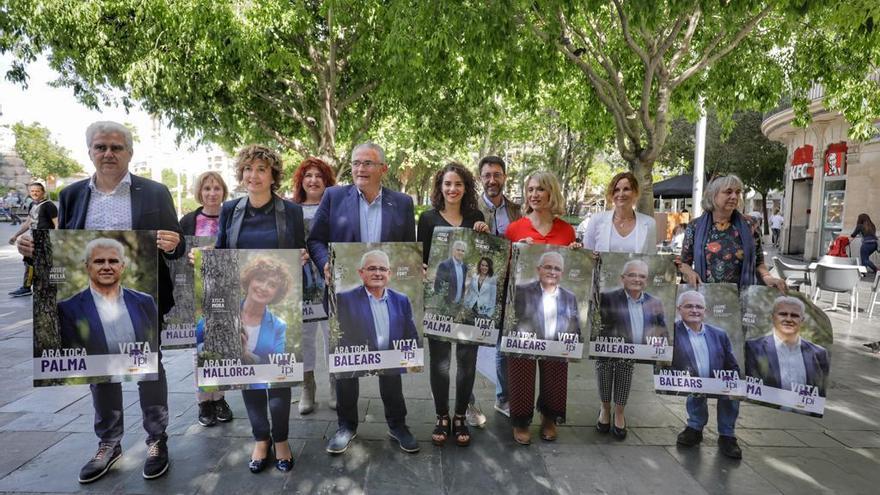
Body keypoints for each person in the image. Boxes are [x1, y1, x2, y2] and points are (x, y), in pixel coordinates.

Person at [17, 121, 183, 483]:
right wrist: (32, 248)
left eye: (116, 147)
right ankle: (109, 443)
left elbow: (178, 242)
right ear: (90, 151)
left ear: (129, 153)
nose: (108, 153)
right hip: (91, 305)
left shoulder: (154, 192)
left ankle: (157, 440)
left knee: (149, 370)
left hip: (142, 302)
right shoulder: (73, 194)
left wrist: (174, 243)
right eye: (101, 147)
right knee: (100, 372)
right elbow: (58, 245)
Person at [308, 141, 419, 455]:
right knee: (346, 364)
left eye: (368, 163)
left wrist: (413, 267)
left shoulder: (402, 202)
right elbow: (315, 239)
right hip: (347, 296)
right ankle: (346, 426)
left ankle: (398, 425)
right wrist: (324, 263)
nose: (360, 169)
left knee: (390, 361)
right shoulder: (333, 197)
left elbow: (407, 248)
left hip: (387, 294)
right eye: (356, 163)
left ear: (383, 168)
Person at [676, 174, 785, 460]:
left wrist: (768, 277)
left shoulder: (749, 225)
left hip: (740, 307)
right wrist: (688, 272)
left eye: (738, 191)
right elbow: (683, 260)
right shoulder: (697, 226)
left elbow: (759, 261)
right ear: (713, 195)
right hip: (704, 306)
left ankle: (727, 433)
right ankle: (694, 425)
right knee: (698, 366)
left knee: (731, 370)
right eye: (728, 192)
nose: (734, 196)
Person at [215, 145, 305, 473]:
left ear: (273, 175)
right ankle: (261, 439)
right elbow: (223, 253)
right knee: (247, 377)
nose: (253, 175)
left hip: (272, 311)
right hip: (240, 310)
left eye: (261, 169)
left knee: (278, 376)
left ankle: (281, 439)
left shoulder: (290, 212)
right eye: (248, 169)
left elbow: (299, 250)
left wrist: (302, 257)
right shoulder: (230, 210)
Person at [504, 170, 580, 445]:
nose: (534, 195)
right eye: (530, 190)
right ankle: (521, 419)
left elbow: (572, 270)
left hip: (557, 310)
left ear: (552, 194)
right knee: (521, 365)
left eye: (540, 190)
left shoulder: (566, 230)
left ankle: (549, 417)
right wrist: (515, 252)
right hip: (524, 311)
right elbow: (503, 271)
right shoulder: (515, 229)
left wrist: (576, 253)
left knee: (556, 365)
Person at [584, 171, 659, 441]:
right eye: (616, 189)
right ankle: (603, 408)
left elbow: (650, 259)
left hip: (634, 300)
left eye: (627, 189)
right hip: (603, 299)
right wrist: (589, 257)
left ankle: (619, 411)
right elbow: (585, 256)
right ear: (610, 193)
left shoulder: (648, 225)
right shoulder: (597, 221)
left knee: (626, 359)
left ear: (635, 193)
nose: (621, 193)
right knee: (604, 358)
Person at [418, 162, 489, 444]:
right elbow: (421, 258)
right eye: (447, 184)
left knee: (467, 361)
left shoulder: (475, 217)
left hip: (469, 306)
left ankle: (460, 416)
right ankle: (441, 416)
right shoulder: (427, 219)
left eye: (458, 184)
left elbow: (485, 256)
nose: (452, 189)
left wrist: (485, 233)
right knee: (440, 363)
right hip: (439, 306)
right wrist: (422, 269)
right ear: (440, 187)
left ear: (466, 187)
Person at [179, 171, 234, 428]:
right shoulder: (188, 220)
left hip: (226, 290)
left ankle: (220, 397)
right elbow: (176, 257)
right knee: (200, 346)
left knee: (222, 345)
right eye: (207, 188)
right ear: (199, 192)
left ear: (224, 191)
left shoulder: (233, 217)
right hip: (198, 292)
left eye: (216, 188)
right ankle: (204, 401)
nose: (212, 193)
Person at [290, 157, 338, 414]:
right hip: (301, 282)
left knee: (333, 334)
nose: (313, 180)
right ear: (301, 180)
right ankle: (307, 386)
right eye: (308, 175)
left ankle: (335, 384)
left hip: (331, 279)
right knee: (305, 337)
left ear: (327, 181)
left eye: (319, 175)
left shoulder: (336, 208)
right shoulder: (290, 209)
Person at [476, 155, 522, 418]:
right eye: (487, 175)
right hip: (481, 283)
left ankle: (503, 398)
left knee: (504, 343)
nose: (492, 180)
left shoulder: (517, 210)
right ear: (480, 178)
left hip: (510, 286)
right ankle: (466, 403)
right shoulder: (470, 209)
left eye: (497, 174)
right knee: (469, 342)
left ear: (504, 176)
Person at [58, 237, 158, 351]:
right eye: (99, 261)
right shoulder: (67, 309)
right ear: (87, 267)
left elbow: (155, 347)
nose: (106, 267)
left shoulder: (145, 302)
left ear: (122, 266)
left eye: (113, 261)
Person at [745, 296, 829, 397]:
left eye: (794, 315)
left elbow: (820, 393)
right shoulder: (753, 348)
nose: (788, 319)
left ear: (802, 320)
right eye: (783, 314)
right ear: (772, 317)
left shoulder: (819, 353)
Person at [336, 250, 420, 349]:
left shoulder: (402, 300)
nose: (377, 273)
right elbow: (341, 340)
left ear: (389, 273)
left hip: (396, 363)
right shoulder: (345, 300)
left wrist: (400, 360)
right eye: (372, 268)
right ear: (361, 273)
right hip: (362, 362)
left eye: (382, 269)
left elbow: (411, 338)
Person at [513, 251, 581, 340]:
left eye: (557, 269)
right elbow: (511, 324)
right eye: (548, 267)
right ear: (538, 269)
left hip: (557, 352)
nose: (552, 272)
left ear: (562, 273)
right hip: (526, 350)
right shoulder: (521, 292)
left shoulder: (570, 298)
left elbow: (575, 332)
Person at [672, 290, 740, 380]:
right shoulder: (670, 332)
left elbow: (733, 370)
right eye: (689, 306)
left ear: (705, 311)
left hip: (716, 392)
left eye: (699, 307)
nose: (694, 310)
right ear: (679, 310)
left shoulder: (720, 335)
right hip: (682, 392)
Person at [598, 259, 669, 344]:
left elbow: (663, 336)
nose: (637, 279)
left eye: (642, 276)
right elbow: (600, 333)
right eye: (632, 275)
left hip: (645, 355)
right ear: (622, 278)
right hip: (617, 355)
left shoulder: (655, 303)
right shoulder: (607, 299)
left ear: (646, 281)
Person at [8, 182, 58, 297]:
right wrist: (16, 235)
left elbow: (57, 224)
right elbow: (28, 223)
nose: (34, 193)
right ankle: (27, 287)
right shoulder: (32, 205)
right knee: (30, 262)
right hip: (34, 238)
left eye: (37, 191)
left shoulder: (49, 205)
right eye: (32, 191)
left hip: (46, 238)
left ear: (43, 192)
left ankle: (49, 289)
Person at [434, 240, 470, 305]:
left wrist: (462, 299)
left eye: (463, 251)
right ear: (453, 251)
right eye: (458, 250)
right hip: (446, 305)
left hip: (458, 304)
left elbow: (462, 285)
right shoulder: (444, 265)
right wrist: (443, 304)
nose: (460, 252)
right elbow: (438, 287)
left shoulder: (464, 267)